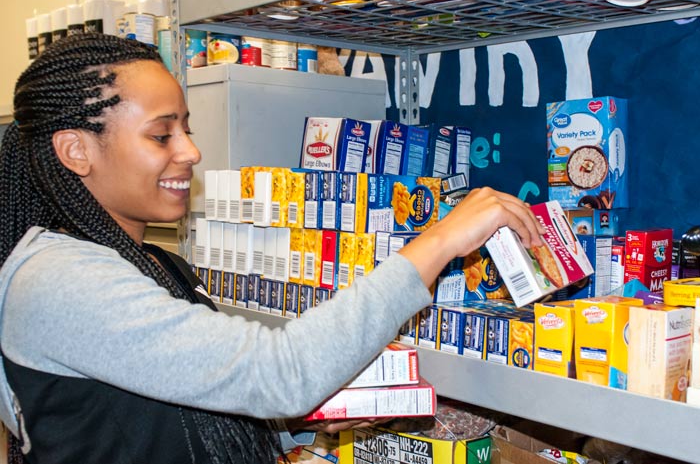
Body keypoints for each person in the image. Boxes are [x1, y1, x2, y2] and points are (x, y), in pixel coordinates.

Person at [0, 33, 544, 464]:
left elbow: (178, 420)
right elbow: (277, 374)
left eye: (186, 128)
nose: (191, 151)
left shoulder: (158, 265)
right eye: (161, 135)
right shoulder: (58, 280)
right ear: (75, 150)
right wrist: (439, 241)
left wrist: (301, 424)